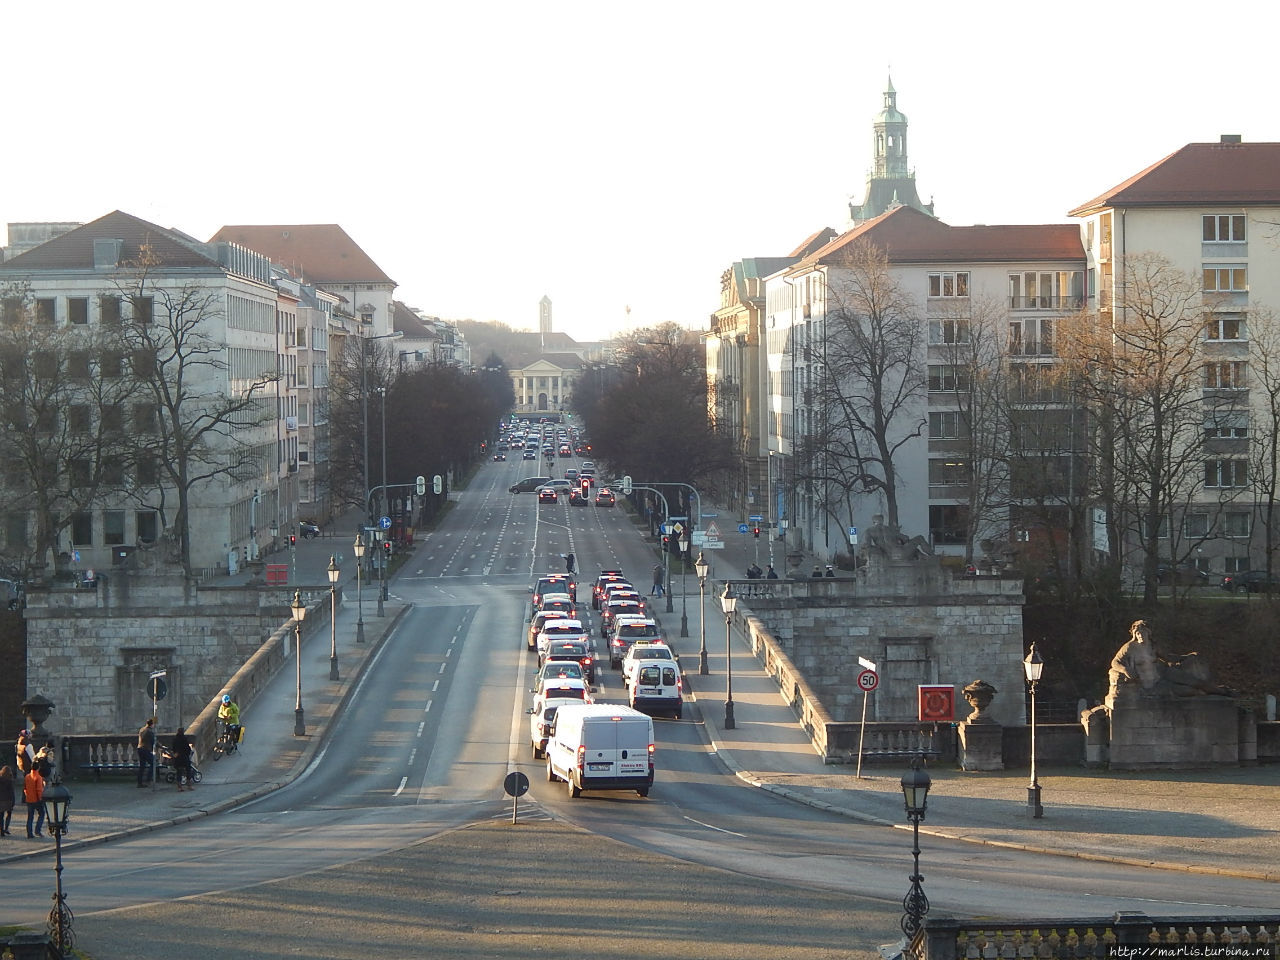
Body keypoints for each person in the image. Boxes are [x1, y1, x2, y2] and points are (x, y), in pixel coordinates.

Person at [23, 759, 44, 837]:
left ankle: (29, 833)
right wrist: (41, 799)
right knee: (42, 814)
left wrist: (27, 795)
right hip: (37, 799)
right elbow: (39, 790)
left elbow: (25, 788)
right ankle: (37, 830)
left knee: (30, 817)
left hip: (29, 799)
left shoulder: (27, 776)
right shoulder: (38, 777)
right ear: (38, 768)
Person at [171, 726, 195, 792]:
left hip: (178, 757)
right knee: (188, 770)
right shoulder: (184, 739)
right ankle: (189, 784)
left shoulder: (175, 739)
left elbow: (173, 748)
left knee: (179, 771)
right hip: (184, 757)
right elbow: (188, 749)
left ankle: (179, 786)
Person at [137, 717, 157, 787]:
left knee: (142, 766)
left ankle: (139, 782)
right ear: (152, 724)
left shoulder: (142, 729)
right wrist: (161, 746)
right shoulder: (149, 731)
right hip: (145, 749)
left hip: (140, 748)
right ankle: (149, 779)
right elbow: (154, 741)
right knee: (153, 763)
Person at [0, 764, 14, 836]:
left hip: (1, 800)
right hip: (8, 799)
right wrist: (13, 801)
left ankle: (1, 830)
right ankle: (6, 828)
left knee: (1, 816)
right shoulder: (10, 780)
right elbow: (11, 792)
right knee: (9, 814)